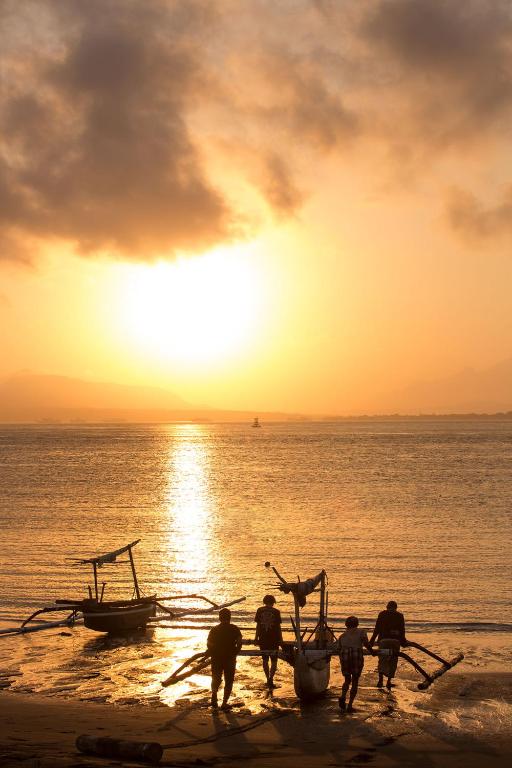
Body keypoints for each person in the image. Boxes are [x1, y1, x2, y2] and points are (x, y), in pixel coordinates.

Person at [207, 608, 243, 710]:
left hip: (216, 657)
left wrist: (212, 651)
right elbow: (239, 641)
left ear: (219, 618)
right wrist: (236, 651)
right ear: (230, 617)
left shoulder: (214, 629)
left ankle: (214, 694)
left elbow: (209, 643)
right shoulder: (234, 628)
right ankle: (224, 702)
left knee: (216, 677)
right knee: (229, 680)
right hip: (230, 657)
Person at [369, 600, 407, 689]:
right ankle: (389, 682)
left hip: (383, 640)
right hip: (395, 641)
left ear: (387, 607)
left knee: (382, 660)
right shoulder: (400, 615)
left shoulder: (382, 614)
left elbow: (377, 628)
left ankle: (380, 680)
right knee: (393, 661)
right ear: (396, 608)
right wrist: (403, 641)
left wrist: (372, 640)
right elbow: (402, 630)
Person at [337, 615, 373, 712]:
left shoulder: (342, 636)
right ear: (357, 624)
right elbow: (365, 643)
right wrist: (372, 651)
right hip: (356, 653)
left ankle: (343, 696)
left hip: (344, 654)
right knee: (355, 680)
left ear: (346, 625)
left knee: (347, 679)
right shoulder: (361, 631)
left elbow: (338, 648)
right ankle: (350, 705)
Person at [254, 594, 283, 688]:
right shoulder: (276, 612)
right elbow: (278, 628)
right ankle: (271, 678)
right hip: (274, 639)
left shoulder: (259, 610)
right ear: (273, 602)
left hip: (263, 638)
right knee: (274, 660)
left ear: (264, 601)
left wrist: (256, 637)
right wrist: (281, 639)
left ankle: (267, 678)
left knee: (265, 659)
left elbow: (258, 626)